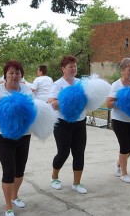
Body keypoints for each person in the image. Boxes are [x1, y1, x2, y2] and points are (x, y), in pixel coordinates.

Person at [0, 60, 33, 216]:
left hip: (24, 134)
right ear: (5, 75)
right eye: (11, 73)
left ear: (21, 75)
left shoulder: (26, 90)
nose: (14, 76)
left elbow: (32, 109)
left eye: (17, 73)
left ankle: (15, 195)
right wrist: (7, 110)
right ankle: (8, 206)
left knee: (20, 170)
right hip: (2, 135)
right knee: (9, 170)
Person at [48, 55, 87, 194]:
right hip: (62, 124)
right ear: (63, 69)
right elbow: (52, 103)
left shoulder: (81, 83)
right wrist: (68, 101)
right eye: (70, 66)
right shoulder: (58, 84)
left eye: (75, 66)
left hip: (80, 123)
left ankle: (77, 183)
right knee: (63, 152)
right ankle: (54, 177)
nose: (73, 68)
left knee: (79, 153)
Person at [106, 57, 130, 183]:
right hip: (119, 120)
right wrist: (122, 103)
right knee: (124, 145)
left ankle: (118, 164)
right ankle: (123, 174)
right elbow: (109, 103)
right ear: (123, 70)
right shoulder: (116, 84)